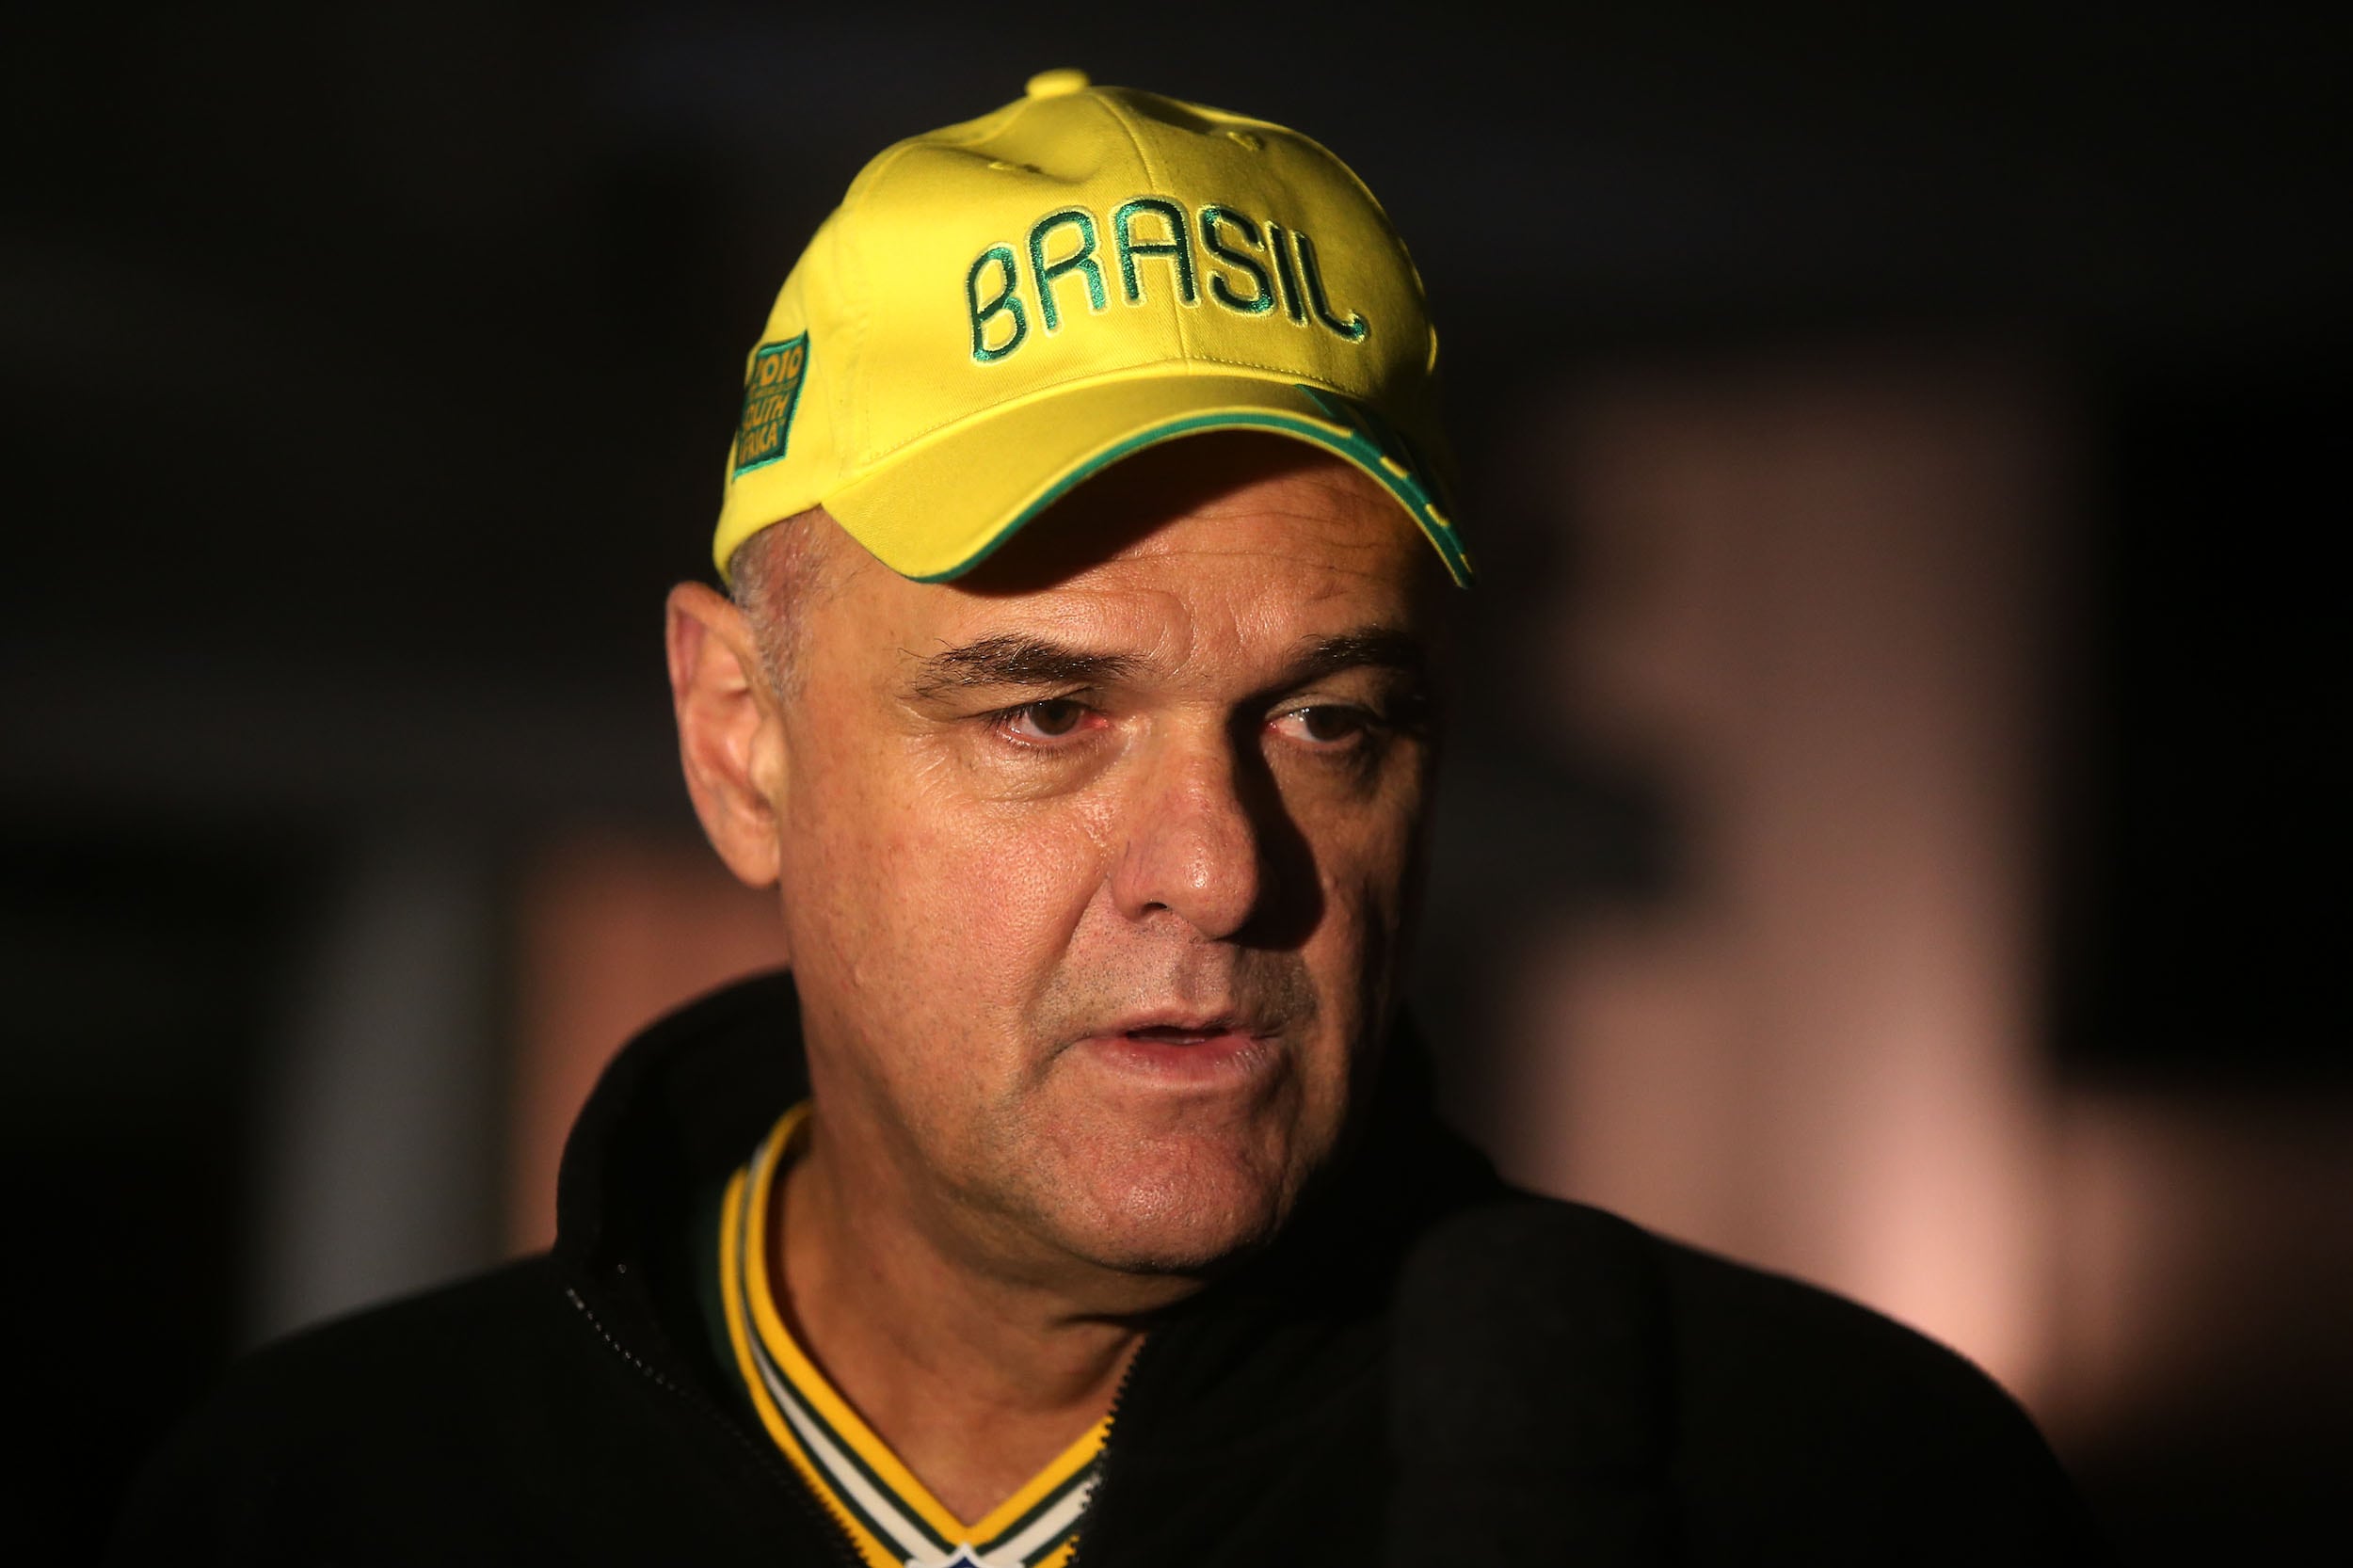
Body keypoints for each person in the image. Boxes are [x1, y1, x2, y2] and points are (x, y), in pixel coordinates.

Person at [114, 71, 2105, 1565]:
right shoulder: (330, 1501)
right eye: (1051, 713)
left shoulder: (1829, 1492)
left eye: (1327, 718)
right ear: (741, 741)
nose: (1224, 868)